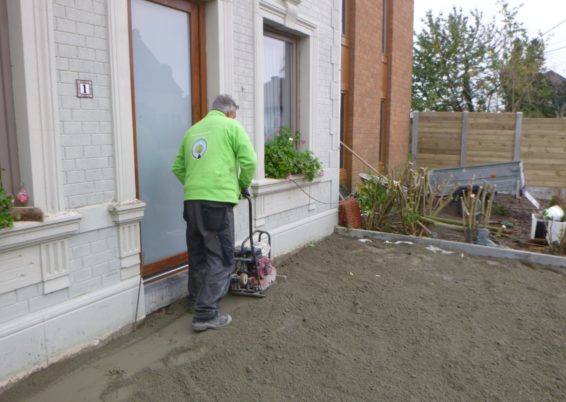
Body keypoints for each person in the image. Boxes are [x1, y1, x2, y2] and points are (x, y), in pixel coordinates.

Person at [172, 94, 257, 332]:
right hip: (217, 203)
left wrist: (195, 185)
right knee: (221, 257)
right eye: (235, 114)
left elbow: (177, 167)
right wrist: (241, 184)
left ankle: (195, 301)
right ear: (230, 113)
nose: (235, 117)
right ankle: (205, 314)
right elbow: (249, 160)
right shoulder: (231, 126)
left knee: (198, 253)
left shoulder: (193, 131)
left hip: (192, 201)